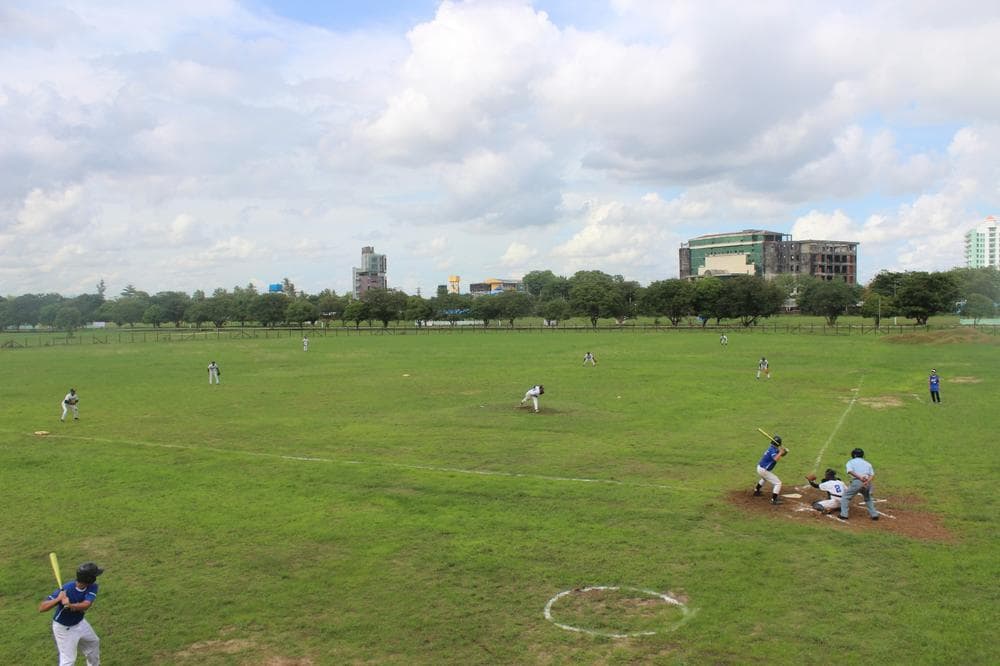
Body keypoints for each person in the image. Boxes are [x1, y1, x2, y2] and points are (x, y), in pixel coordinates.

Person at [39, 561, 104, 666]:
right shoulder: (66, 589)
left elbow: (86, 605)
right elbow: (42, 608)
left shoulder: (93, 587)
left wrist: (70, 605)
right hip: (64, 628)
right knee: (68, 661)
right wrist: (58, 599)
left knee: (93, 642)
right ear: (89, 579)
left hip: (80, 623)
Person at [839, 448, 879, 521]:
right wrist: (867, 482)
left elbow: (850, 471)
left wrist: (860, 477)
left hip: (857, 482)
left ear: (854, 454)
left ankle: (844, 515)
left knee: (845, 497)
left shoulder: (850, 462)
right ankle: (874, 514)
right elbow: (872, 475)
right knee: (868, 498)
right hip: (867, 483)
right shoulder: (868, 463)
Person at [753, 434, 788, 504]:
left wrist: (785, 451)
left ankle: (756, 491)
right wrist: (781, 452)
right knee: (778, 483)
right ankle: (773, 500)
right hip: (763, 470)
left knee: (764, 478)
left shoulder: (772, 448)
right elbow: (776, 458)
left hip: (760, 468)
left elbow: (780, 455)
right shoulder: (772, 450)